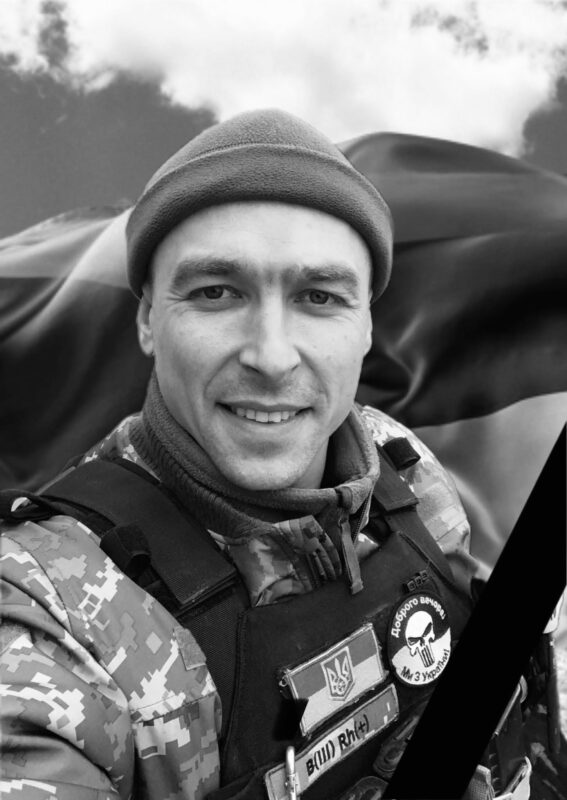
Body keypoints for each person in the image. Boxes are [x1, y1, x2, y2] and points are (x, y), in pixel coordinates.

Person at [0, 109, 540, 800]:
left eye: (320, 297)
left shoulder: (396, 458)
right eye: (216, 293)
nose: (272, 356)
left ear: (366, 328)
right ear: (146, 320)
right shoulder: (49, 607)